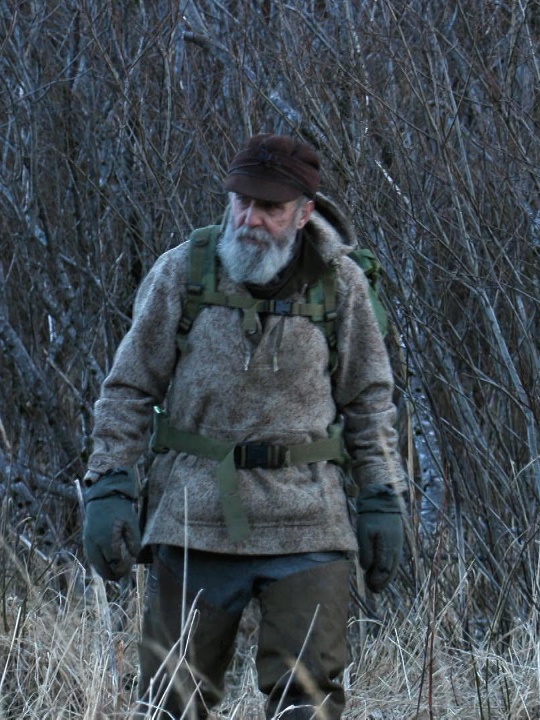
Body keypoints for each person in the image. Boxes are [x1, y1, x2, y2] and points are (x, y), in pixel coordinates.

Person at [82, 133, 405, 720]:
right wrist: (109, 483)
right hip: (194, 514)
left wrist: (383, 494)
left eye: (270, 207)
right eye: (242, 201)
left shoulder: (341, 284)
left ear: (304, 213)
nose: (250, 219)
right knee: (170, 702)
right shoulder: (182, 272)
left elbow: (370, 401)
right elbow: (128, 388)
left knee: (307, 703)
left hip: (308, 519)